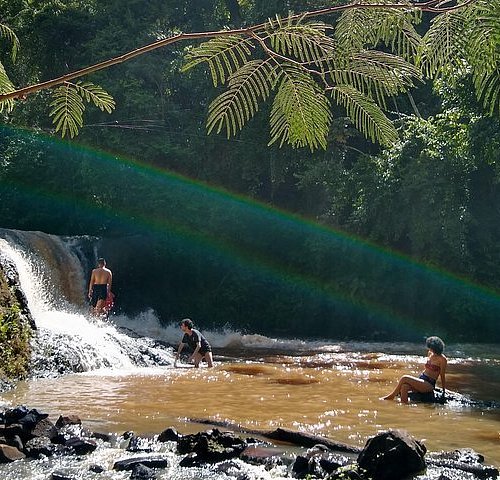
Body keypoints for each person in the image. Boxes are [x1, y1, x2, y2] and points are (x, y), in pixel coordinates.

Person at [381, 336, 447, 403]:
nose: (429, 349)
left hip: (429, 384)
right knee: (404, 387)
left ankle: (392, 395)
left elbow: (442, 375)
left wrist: (444, 390)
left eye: (431, 348)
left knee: (404, 377)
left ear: (436, 348)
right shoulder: (430, 354)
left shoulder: (442, 359)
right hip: (422, 379)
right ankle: (404, 406)